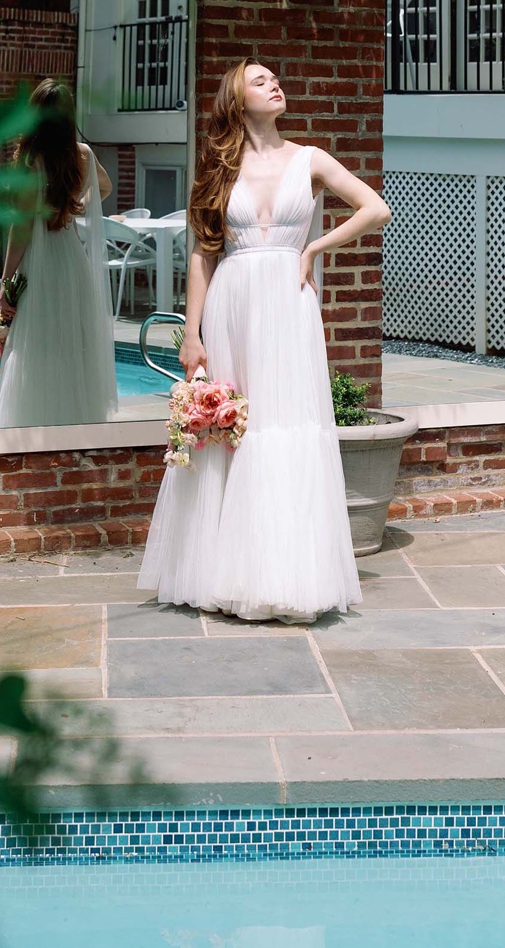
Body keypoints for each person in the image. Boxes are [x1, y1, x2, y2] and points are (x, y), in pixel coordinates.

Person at [138, 59, 391, 622]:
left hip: (289, 304)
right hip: (233, 304)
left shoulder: (310, 159)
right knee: (234, 430)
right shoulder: (218, 168)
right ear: (236, 99)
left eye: (277, 78)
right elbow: (204, 255)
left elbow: (376, 208)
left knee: (287, 426)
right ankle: (222, 573)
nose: (275, 84)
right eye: (260, 80)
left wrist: (316, 248)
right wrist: (192, 334)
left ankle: (288, 576)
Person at [0, 78, 118, 429]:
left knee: (36, 343)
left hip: (39, 261)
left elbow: (21, 228)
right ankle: (71, 417)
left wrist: (6, 281)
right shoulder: (83, 154)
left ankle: (33, 418)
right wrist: (79, 206)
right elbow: (105, 185)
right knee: (69, 342)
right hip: (70, 258)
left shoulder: (30, 159)